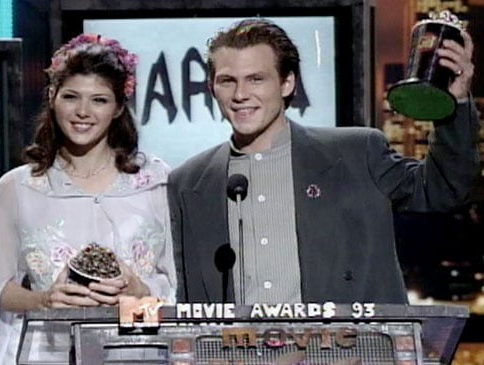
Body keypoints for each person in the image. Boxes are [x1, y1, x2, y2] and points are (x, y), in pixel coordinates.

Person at [168, 18, 480, 305]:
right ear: (211, 88)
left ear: (287, 83)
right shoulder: (190, 182)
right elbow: (185, 293)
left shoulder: (357, 154)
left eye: (256, 79)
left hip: (346, 352)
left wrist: (456, 104)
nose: (240, 94)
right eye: (227, 81)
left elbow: (445, 190)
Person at [0, 34, 176, 364]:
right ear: (52, 96)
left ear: (117, 108)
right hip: (50, 353)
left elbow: (180, 286)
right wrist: (45, 300)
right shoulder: (19, 187)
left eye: (99, 100)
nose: (83, 112)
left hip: (139, 351)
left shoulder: (157, 182)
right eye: (71, 96)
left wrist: (139, 293)